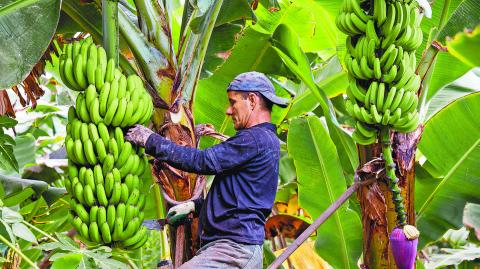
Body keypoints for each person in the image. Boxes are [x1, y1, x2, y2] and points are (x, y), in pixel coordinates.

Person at [125, 71, 289, 269]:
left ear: (252, 100)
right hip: (232, 250)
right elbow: (239, 196)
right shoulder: (262, 140)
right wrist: (196, 206)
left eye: (233, 102)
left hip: (232, 252)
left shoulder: (255, 139)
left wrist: (150, 140)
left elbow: (202, 161)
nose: (228, 111)